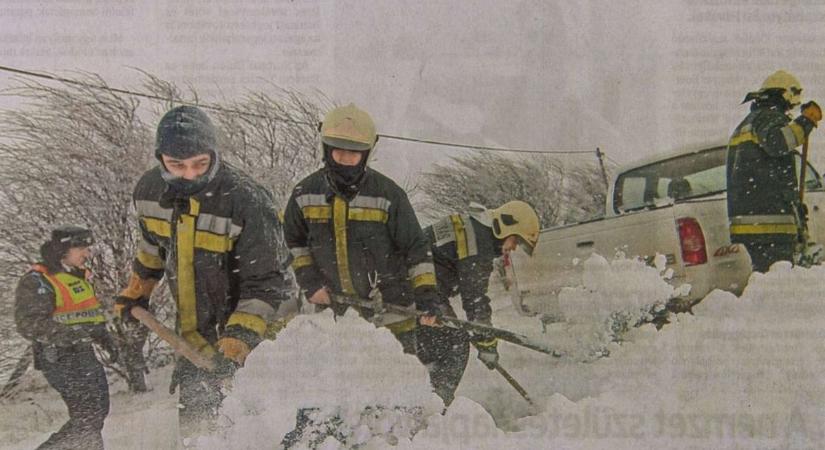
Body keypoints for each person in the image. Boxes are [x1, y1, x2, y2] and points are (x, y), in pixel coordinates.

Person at [113, 105, 292, 434]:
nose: (190, 174)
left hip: (259, 331)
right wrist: (138, 289)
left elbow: (266, 284)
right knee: (198, 426)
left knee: (257, 428)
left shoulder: (248, 201)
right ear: (160, 158)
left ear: (214, 154)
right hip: (195, 335)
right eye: (176, 165)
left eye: (200, 164)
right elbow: (153, 245)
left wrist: (239, 339)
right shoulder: (149, 192)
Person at [282, 104, 460, 404]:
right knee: (342, 393)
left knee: (397, 389)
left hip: (392, 312)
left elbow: (417, 250)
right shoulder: (304, 194)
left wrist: (428, 297)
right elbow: (295, 242)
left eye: (354, 154)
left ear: (367, 152)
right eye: (338, 152)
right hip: (337, 315)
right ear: (326, 149)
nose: (346, 160)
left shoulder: (389, 195)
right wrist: (310, 282)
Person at [15, 226, 116, 450]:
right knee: (87, 416)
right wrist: (67, 335)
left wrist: (105, 338)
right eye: (81, 248)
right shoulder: (38, 281)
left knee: (97, 411)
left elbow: (88, 315)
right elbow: (28, 322)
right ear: (63, 251)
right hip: (58, 356)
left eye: (88, 248)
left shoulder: (79, 277)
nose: (87, 253)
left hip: (83, 353)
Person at [424, 201, 539, 379]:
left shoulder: (473, 227)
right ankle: (432, 401)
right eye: (516, 240)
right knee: (453, 343)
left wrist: (481, 334)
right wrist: (487, 340)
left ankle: (428, 395)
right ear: (505, 226)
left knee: (446, 336)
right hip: (414, 287)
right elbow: (475, 297)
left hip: (412, 284)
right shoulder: (479, 241)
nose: (514, 247)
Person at [726, 70, 822, 272]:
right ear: (784, 96)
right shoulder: (768, 117)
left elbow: (767, 173)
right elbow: (779, 143)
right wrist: (805, 122)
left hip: (751, 223)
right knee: (776, 283)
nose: (788, 113)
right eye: (789, 106)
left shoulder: (747, 124)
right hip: (769, 225)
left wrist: (794, 208)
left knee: (765, 281)